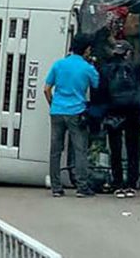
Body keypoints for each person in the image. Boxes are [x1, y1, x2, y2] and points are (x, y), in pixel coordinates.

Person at [44, 33, 99, 198]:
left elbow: (46, 89)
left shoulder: (59, 64)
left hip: (57, 111)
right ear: (86, 49)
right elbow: (96, 84)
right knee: (80, 149)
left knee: (55, 150)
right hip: (76, 112)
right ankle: (82, 187)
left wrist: (53, 104)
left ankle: (56, 187)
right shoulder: (87, 68)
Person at [98, 40, 140, 198]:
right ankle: (132, 182)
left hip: (114, 112)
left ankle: (117, 182)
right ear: (128, 53)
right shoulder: (137, 68)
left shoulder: (105, 69)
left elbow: (101, 92)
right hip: (133, 112)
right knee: (133, 148)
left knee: (115, 148)